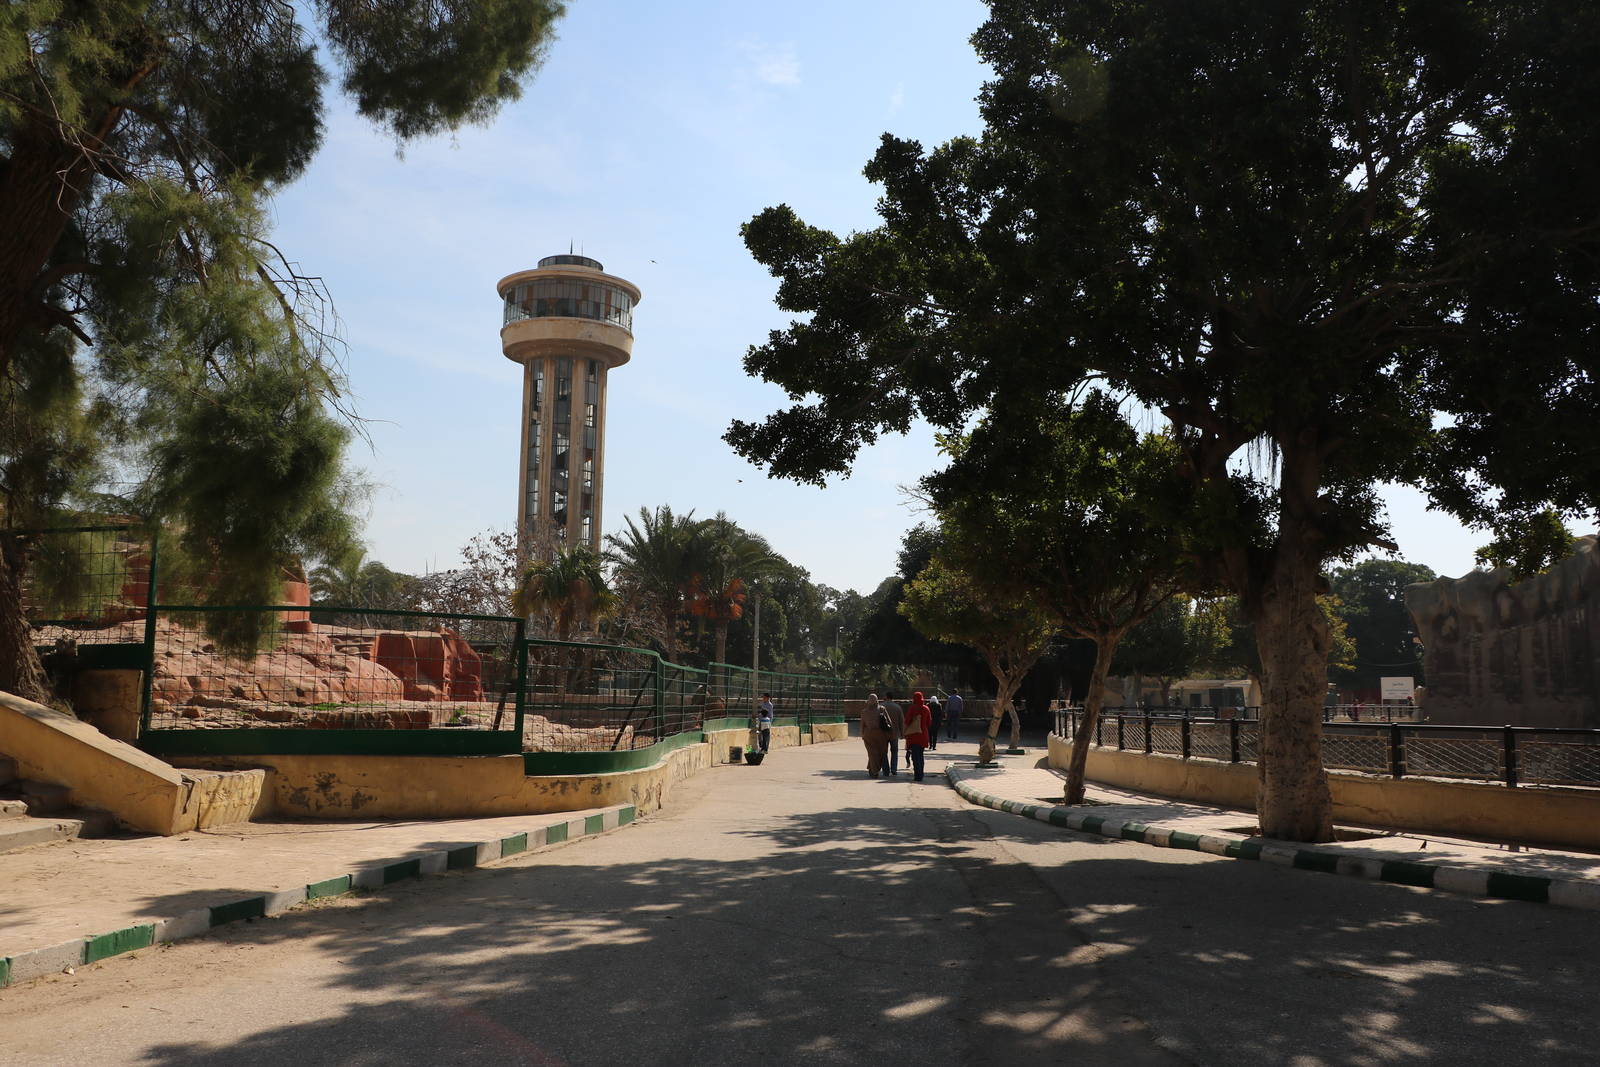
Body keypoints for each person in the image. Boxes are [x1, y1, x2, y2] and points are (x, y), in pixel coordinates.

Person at [902, 691, 932, 782]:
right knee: (920, 755)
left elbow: (906, 721)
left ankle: (917, 775)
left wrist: (904, 732)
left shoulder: (912, 709)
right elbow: (929, 722)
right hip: (923, 735)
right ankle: (921, 774)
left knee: (915, 757)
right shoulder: (926, 708)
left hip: (913, 736)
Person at [860, 693, 890, 777]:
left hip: (870, 735)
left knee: (873, 753)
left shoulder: (865, 712)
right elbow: (889, 722)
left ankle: (872, 769)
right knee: (877, 753)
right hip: (879, 735)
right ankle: (874, 771)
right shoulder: (880, 709)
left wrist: (862, 734)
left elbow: (862, 725)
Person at [881, 692, 905, 775]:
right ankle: (894, 769)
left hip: (883, 733)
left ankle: (886, 770)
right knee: (894, 751)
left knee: (883, 752)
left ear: (886, 697)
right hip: (894, 733)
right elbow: (901, 721)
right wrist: (902, 733)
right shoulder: (897, 707)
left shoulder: (881, 707)